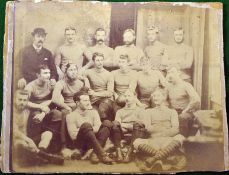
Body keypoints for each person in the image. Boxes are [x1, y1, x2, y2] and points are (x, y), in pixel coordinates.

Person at [133, 88, 185, 171]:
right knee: (137, 142)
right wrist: (165, 130)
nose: (155, 98)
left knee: (180, 137)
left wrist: (160, 133)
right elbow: (148, 128)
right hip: (153, 140)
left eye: (157, 96)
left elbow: (175, 129)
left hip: (168, 140)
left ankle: (154, 159)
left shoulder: (172, 112)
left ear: (164, 97)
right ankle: (161, 156)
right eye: (153, 96)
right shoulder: (148, 112)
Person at [13, 90, 64, 166]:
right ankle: (44, 156)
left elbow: (49, 105)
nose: (22, 102)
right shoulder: (10, 112)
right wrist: (29, 140)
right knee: (20, 145)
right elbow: (15, 132)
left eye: (24, 100)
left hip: (29, 141)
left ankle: (39, 155)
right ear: (14, 100)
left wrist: (42, 113)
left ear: (27, 102)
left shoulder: (27, 109)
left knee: (48, 134)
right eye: (20, 99)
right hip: (16, 140)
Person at [24, 65, 64, 156]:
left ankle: (49, 144)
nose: (48, 75)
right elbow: (25, 102)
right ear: (38, 75)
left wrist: (45, 108)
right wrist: (40, 107)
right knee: (37, 117)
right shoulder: (30, 86)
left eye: (49, 73)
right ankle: (37, 147)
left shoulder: (50, 83)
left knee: (58, 114)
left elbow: (60, 99)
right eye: (45, 73)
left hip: (48, 108)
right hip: (35, 109)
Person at [51, 63, 90, 157]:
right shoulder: (60, 83)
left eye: (75, 70)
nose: (73, 72)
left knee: (89, 112)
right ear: (65, 72)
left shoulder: (80, 83)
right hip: (66, 106)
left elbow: (86, 94)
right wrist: (66, 107)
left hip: (78, 106)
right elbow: (54, 99)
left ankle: (84, 147)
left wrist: (86, 79)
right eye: (70, 70)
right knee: (65, 113)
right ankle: (64, 146)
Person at [65, 92, 114, 164]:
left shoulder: (94, 112)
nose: (88, 103)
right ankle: (103, 154)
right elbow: (73, 136)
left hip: (94, 142)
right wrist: (85, 129)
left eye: (88, 100)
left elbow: (98, 128)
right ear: (77, 103)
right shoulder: (71, 116)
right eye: (85, 101)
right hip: (81, 145)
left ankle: (94, 153)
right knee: (86, 125)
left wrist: (86, 131)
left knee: (107, 123)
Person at [111, 90, 147, 163]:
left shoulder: (140, 110)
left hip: (136, 135)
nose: (127, 98)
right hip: (123, 134)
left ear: (135, 97)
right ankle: (119, 152)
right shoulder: (120, 111)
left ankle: (129, 153)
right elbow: (117, 124)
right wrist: (131, 127)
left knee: (138, 125)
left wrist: (125, 125)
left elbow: (142, 125)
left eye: (129, 96)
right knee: (115, 124)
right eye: (125, 96)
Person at [166, 66, 200, 137]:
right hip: (174, 112)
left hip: (186, 112)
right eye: (168, 73)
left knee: (181, 117)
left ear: (179, 73)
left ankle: (182, 142)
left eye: (172, 72)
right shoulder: (168, 86)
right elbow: (165, 100)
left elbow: (196, 99)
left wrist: (185, 110)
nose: (170, 75)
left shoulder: (186, 85)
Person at [84, 52, 116, 121]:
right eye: (97, 60)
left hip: (106, 99)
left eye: (101, 60)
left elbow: (110, 93)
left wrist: (95, 93)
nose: (100, 62)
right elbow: (78, 74)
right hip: (94, 100)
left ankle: (106, 127)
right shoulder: (89, 72)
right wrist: (85, 79)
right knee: (93, 113)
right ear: (93, 61)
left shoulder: (109, 74)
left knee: (102, 109)